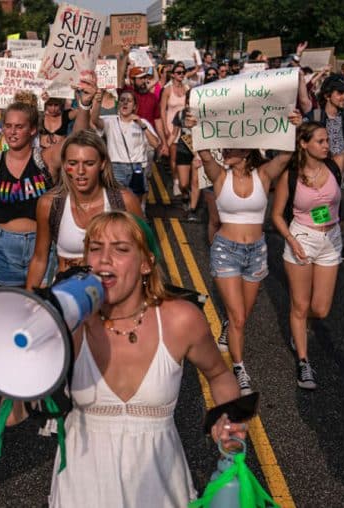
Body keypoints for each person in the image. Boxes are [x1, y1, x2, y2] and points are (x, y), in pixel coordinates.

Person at [48, 211, 246, 507]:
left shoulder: (181, 320)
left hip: (159, 487)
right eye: (95, 247)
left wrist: (228, 420)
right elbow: (17, 410)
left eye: (121, 249)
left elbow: (219, 375)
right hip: (82, 487)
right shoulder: (73, 323)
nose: (104, 258)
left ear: (145, 264)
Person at [194, 112, 297, 394]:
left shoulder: (263, 175)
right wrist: (194, 125)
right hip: (226, 251)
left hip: (257, 252)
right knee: (239, 316)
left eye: (232, 147)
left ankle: (229, 325)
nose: (225, 151)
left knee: (242, 314)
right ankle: (239, 369)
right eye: (225, 147)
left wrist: (292, 124)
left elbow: (287, 154)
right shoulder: (219, 175)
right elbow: (203, 153)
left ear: (247, 150)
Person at [270, 121, 344, 390]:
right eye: (320, 141)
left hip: (332, 240)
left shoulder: (335, 164)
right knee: (300, 305)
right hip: (302, 238)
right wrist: (291, 240)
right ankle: (304, 362)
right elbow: (276, 215)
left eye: (327, 140)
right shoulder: (290, 176)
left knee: (321, 309)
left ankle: (298, 326)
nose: (327, 145)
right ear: (304, 144)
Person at [0, 83, 93, 287]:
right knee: (10, 310)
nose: (12, 132)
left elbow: (78, 139)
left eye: (19, 127)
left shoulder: (46, 159)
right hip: (2, 246)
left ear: (33, 130)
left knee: (40, 310)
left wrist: (85, 105)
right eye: (8, 126)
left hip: (41, 244)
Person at [25, 129, 142, 290]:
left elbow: (144, 253)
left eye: (89, 163)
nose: (80, 172)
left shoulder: (124, 201)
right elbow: (39, 258)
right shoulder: (49, 204)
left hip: (114, 294)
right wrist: (29, 301)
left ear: (102, 164)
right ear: (65, 165)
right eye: (73, 163)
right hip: (69, 296)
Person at [91, 89, 161, 201]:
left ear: (134, 106)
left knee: (135, 203)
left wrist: (142, 125)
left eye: (129, 101)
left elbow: (156, 144)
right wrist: (97, 101)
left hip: (137, 167)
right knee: (117, 202)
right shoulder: (110, 121)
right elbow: (94, 120)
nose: (125, 103)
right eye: (122, 100)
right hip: (116, 167)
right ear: (118, 104)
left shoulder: (142, 122)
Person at [160, 62, 190, 197]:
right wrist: (165, 128)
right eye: (178, 72)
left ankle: (186, 182)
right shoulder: (167, 90)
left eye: (183, 72)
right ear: (172, 75)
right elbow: (162, 110)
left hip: (184, 126)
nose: (181, 75)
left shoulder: (188, 88)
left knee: (184, 155)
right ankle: (176, 180)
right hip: (171, 126)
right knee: (174, 157)